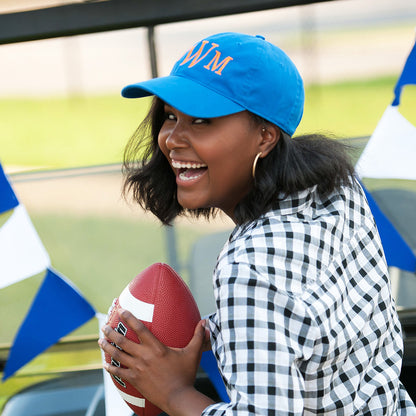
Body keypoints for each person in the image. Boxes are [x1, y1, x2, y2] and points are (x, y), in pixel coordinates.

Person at [98, 32, 416, 415]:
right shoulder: (337, 188)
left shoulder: (246, 270)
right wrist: (213, 332)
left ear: (264, 137)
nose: (172, 138)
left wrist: (172, 392)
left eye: (201, 120)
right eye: (170, 115)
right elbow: (313, 318)